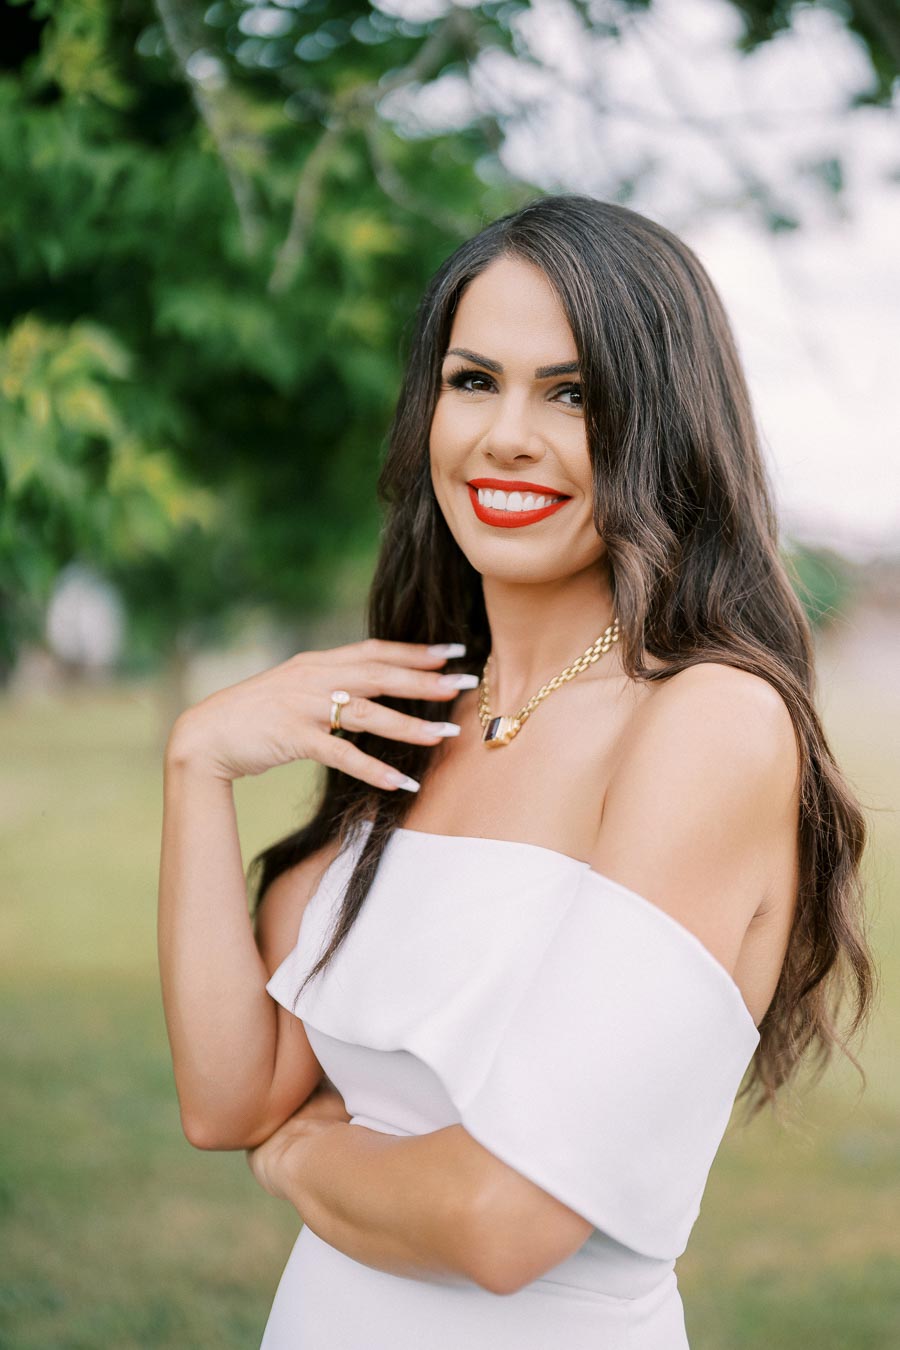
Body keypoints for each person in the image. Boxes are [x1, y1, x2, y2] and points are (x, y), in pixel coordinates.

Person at [157, 194, 876, 1349]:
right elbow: (228, 1098)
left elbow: (505, 1221)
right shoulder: (420, 715)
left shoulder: (707, 723)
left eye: (573, 393)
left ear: (663, 426)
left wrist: (300, 1157)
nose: (507, 436)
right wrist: (195, 765)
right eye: (473, 380)